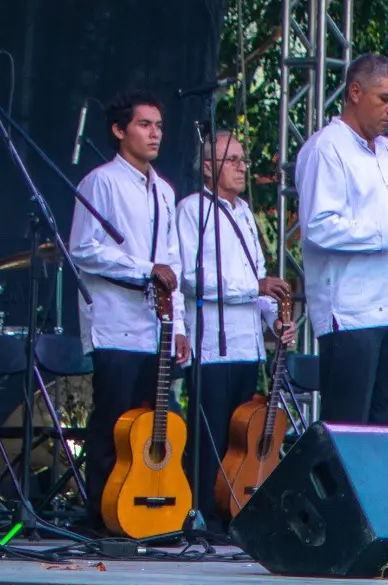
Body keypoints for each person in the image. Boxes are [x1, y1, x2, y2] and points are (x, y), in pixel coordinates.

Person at [294, 53, 388, 426]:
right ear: (355, 92)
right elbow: (319, 226)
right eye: (384, 98)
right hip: (352, 311)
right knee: (349, 427)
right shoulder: (327, 148)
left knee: (387, 424)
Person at [69, 90, 188, 532]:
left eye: (158, 125)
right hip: (115, 321)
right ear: (119, 131)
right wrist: (144, 270)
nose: (155, 133)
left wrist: (177, 322)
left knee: (158, 419)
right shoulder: (100, 181)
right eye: (144, 125)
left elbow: (172, 260)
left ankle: (152, 510)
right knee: (114, 422)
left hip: (155, 324)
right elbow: (84, 249)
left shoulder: (164, 189)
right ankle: (103, 515)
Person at [174, 130, 293, 533]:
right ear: (208, 168)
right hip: (211, 345)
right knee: (211, 437)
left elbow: (256, 276)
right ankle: (201, 515)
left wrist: (272, 318)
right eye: (233, 161)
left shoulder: (244, 212)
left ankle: (236, 513)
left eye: (244, 160)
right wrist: (253, 289)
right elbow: (191, 278)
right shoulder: (192, 210)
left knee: (243, 437)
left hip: (247, 344)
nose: (243, 168)